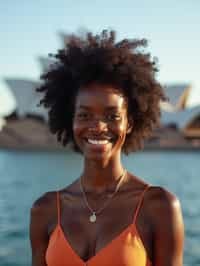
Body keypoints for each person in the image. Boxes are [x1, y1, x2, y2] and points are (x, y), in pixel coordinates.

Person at [29, 30, 184, 266]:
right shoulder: (45, 210)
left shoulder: (160, 207)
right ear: (71, 120)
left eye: (112, 116)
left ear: (129, 123)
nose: (99, 127)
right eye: (84, 115)